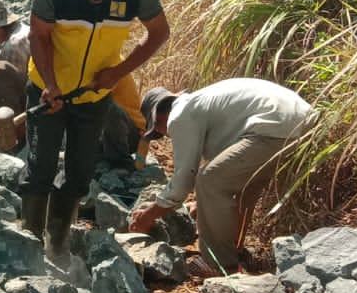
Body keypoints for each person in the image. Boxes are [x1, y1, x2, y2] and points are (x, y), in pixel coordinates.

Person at [24, 0, 171, 258]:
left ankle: (57, 243)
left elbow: (159, 33)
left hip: (94, 96)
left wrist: (119, 71)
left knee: (79, 175)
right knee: (40, 170)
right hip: (48, 90)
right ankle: (30, 246)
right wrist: (50, 85)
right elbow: (38, 36)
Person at [128, 79, 317, 277]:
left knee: (209, 180)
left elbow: (184, 179)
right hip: (301, 121)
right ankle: (236, 251)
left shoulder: (179, 114)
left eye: (158, 130)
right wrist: (205, 206)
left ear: (158, 118)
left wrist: (148, 215)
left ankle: (216, 262)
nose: (163, 135)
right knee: (245, 190)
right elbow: (228, 178)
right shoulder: (202, 105)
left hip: (275, 126)